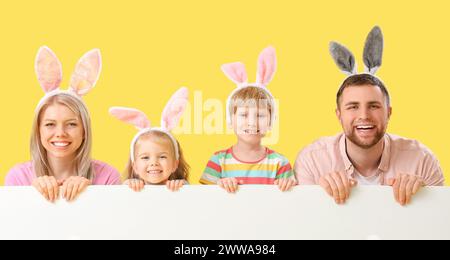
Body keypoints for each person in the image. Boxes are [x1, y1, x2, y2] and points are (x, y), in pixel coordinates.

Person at [295, 26, 444, 206]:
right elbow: (303, 228)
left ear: (388, 113)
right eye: (353, 107)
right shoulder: (312, 161)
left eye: (373, 106)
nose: (364, 116)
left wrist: (426, 198)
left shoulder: (421, 161)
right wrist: (315, 196)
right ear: (339, 115)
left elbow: (439, 229)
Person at [5, 46, 121, 202]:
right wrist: (30, 195)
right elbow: (14, 224)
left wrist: (92, 194)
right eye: (50, 124)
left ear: (84, 130)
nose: (60, 133)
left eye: (71, 124)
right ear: (38, 130)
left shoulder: (108, 177)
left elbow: (115, 224)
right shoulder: (18, 178)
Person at [200, 46, 296, 193]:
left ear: (271, 122)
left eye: (260, 115)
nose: (252, 122)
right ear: (230, 120)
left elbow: (294, 201)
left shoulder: (279, 163)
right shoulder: (218, 161)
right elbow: (202, 200)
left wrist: (286, 186)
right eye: (244, 115)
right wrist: (219, 186)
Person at [109, 87, 190, 192]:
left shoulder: (180, 187)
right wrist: (126, 186)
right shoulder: (131, 187)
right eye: (145, 157)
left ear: (175, 164)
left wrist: (184, 186)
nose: (153, 163)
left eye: (162, 156)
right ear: (135, 166)